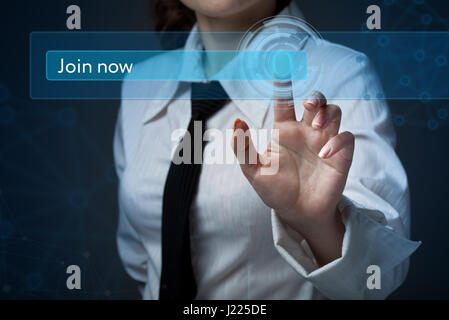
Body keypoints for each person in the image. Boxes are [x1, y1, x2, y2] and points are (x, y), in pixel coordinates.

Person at [114, 0, 420, 299]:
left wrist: (319, 223)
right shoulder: (141, 83)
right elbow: (141, 257)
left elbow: (375, 278)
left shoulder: (340, 74)